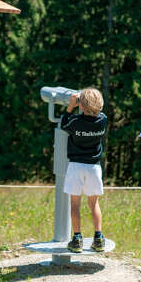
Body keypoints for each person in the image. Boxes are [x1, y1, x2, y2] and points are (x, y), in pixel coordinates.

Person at [60, 88, 107, 253]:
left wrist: (70, 106)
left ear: (81, 106)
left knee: (75, 204)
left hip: (76, 165)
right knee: (94, 204)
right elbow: (97, 113)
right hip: (94, 167)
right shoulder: (103, 120)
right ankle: (99, 238)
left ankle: (77, 238)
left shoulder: (74, 121)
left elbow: (63, 124)